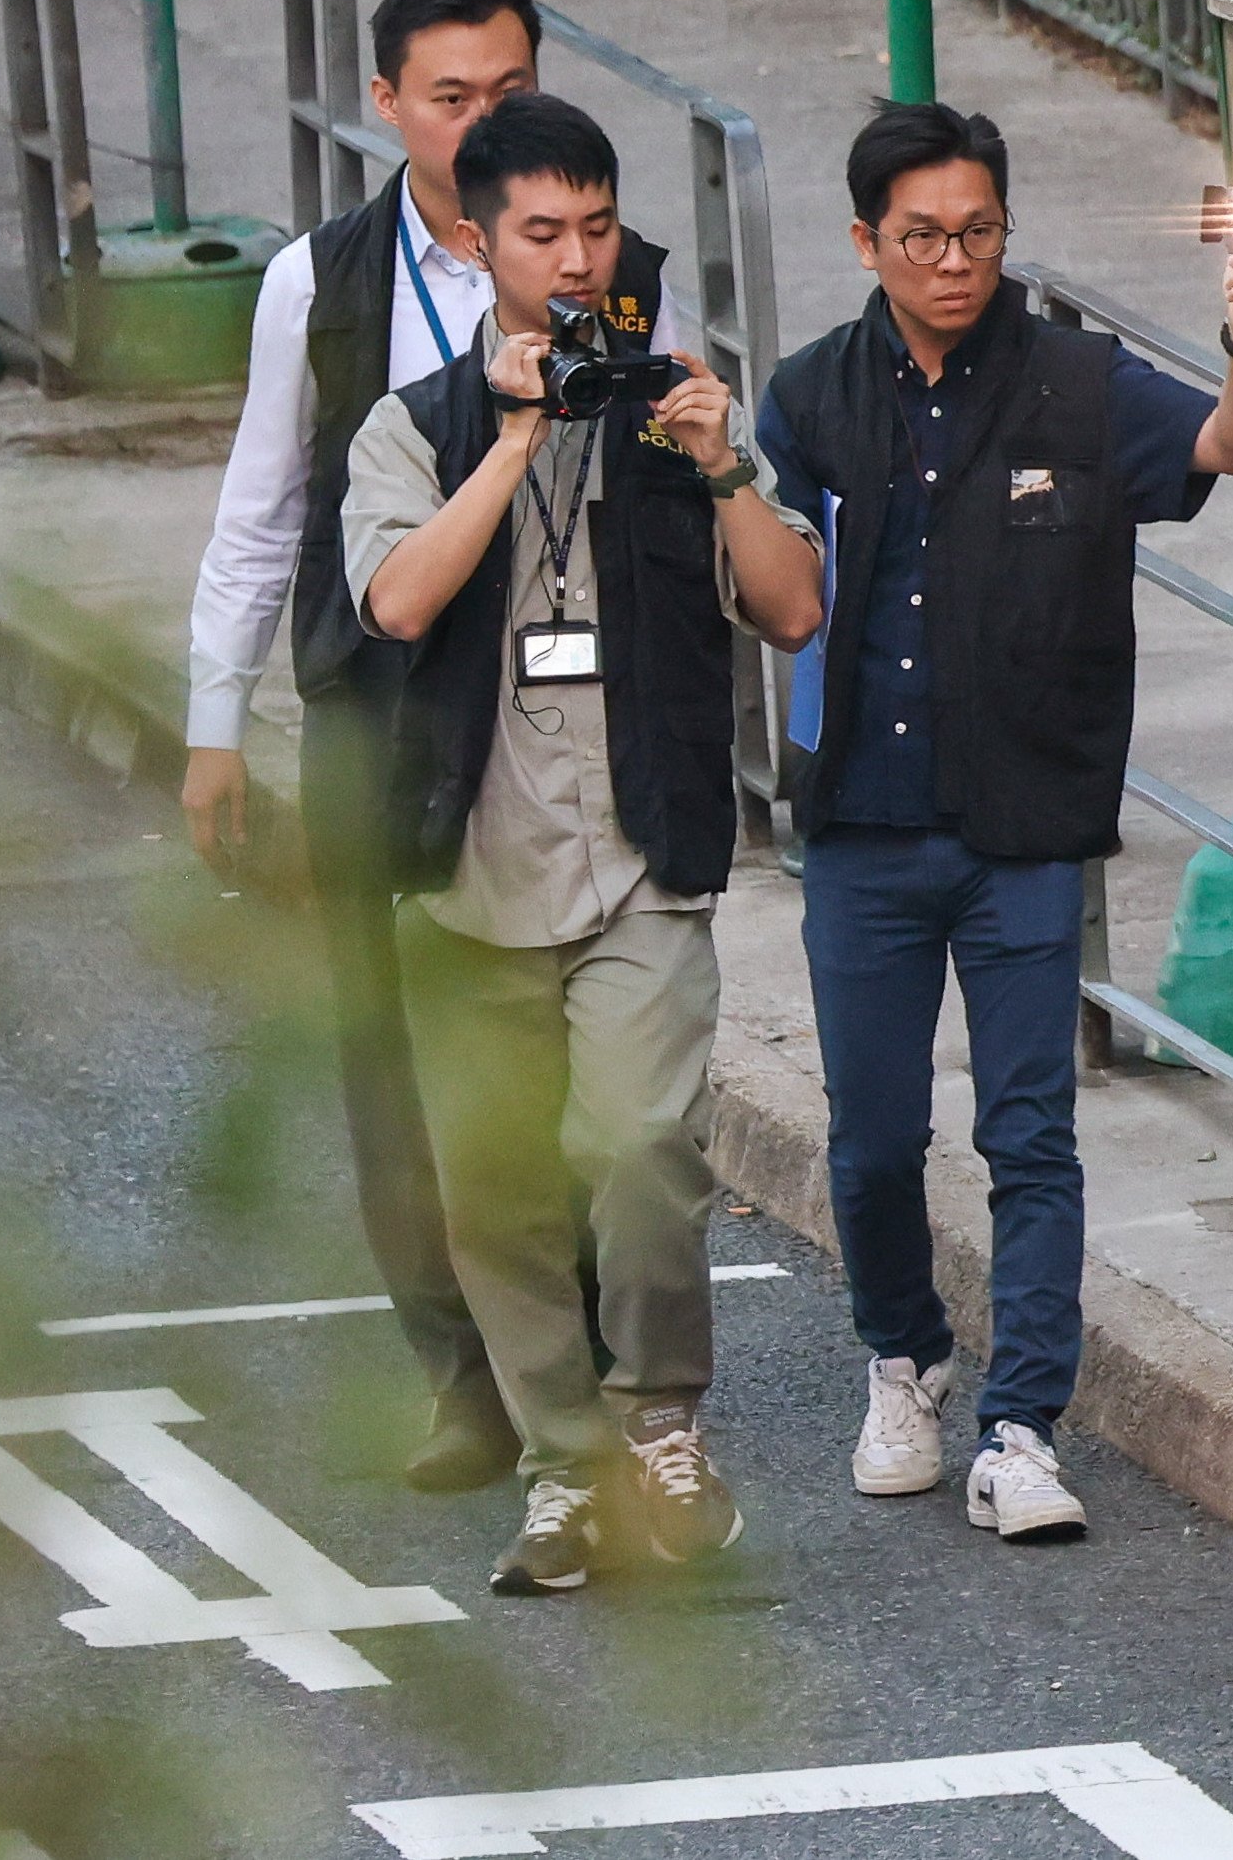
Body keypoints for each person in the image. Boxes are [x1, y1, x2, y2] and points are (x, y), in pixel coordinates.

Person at [753, 102, 1233, 1547]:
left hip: (1025, 820)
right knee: (869, 1137)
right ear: (865, 241)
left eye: (978, 230)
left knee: (1031, 1130)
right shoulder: (806, 398)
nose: (954, 259)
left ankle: (1024, 1421)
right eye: (921, 235)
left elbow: (1232, 445)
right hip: (864, 819)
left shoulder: (1078, 379)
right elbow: (777, 586)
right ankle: (905, 1353)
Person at [344, 92, 824, 1593]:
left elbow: (795, 607)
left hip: (639, 852)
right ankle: (563, 1471)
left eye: (596, 228)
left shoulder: (675, 406)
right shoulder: (412, 425)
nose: (572, 258)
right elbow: (401, 601)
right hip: (466, 865)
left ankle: (660, 1422)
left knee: (635, 1148)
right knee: (494, 1194)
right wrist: (513, 434)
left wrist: (725, 457)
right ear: (479, 241)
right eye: (541, 233)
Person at [182, 0, 574, 1493]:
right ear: (388, 104)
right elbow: (262, 507)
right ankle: (461, 1370)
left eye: (510, 85)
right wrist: (217, 721)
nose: (486, 118)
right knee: (386, 1045)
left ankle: (573, 1348)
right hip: (371, 695)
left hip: (547, 690)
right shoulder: (319, 278)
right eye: (455, 95)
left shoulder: (588, 254)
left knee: (545, 1018)